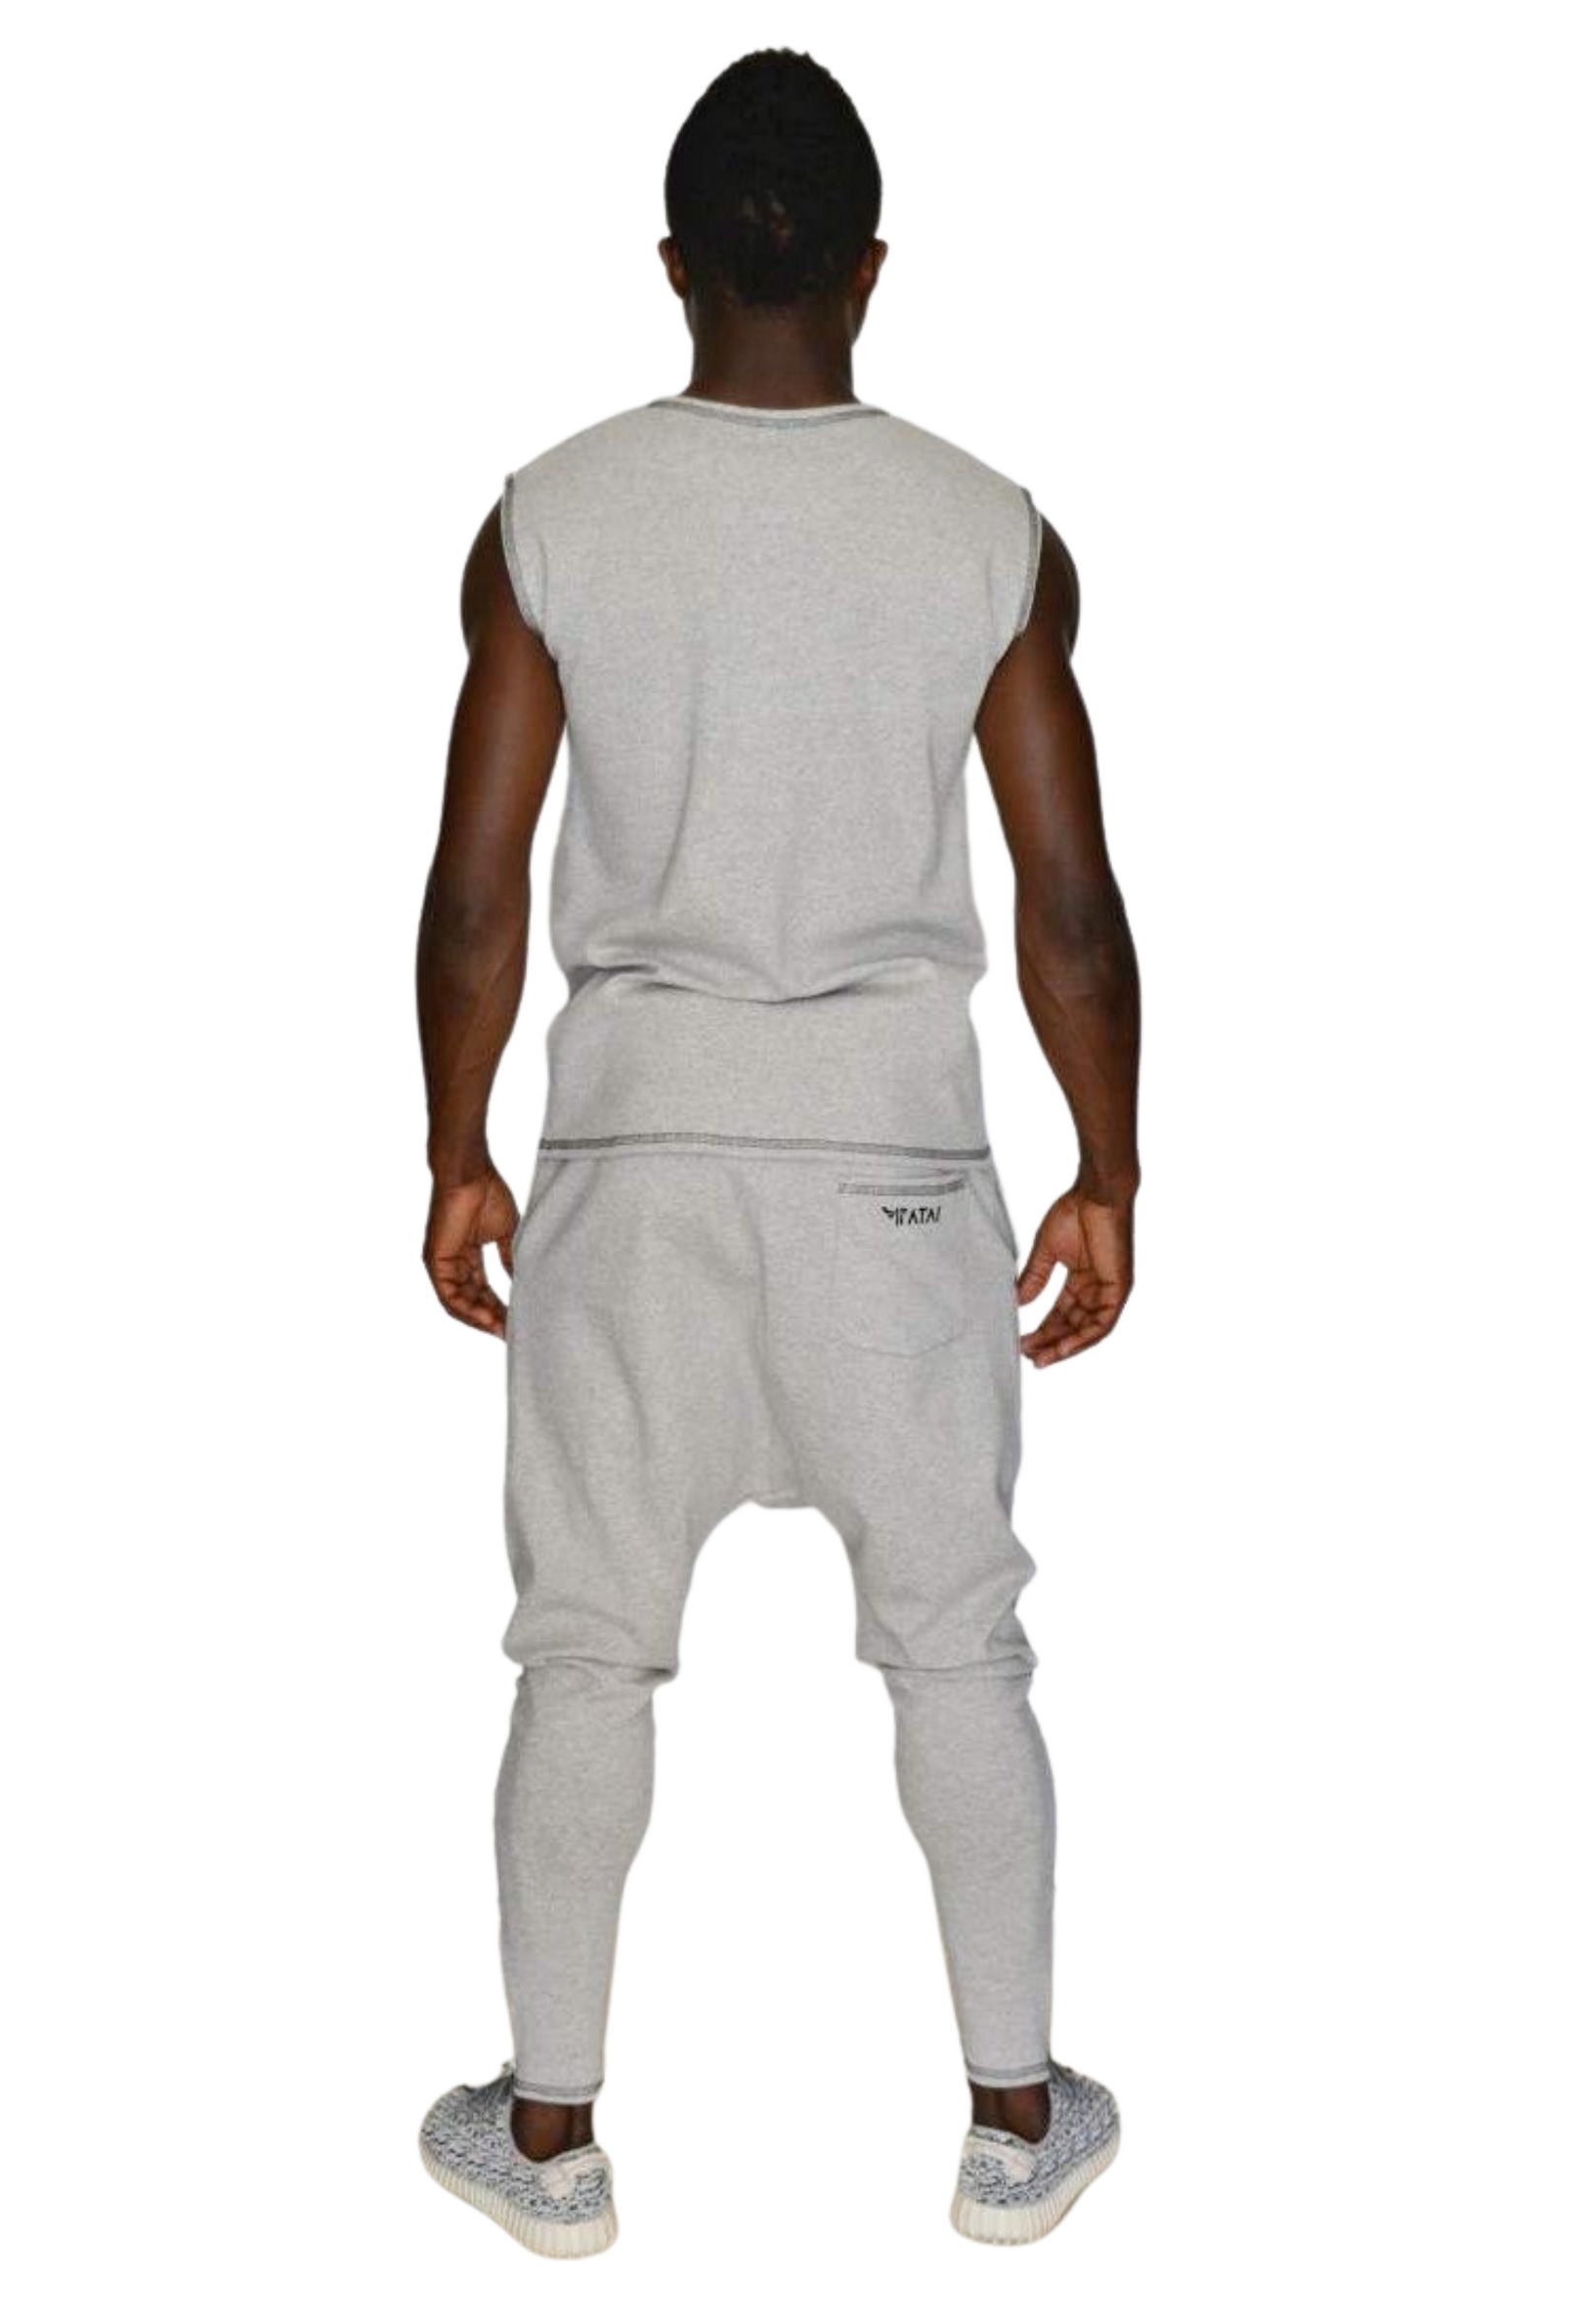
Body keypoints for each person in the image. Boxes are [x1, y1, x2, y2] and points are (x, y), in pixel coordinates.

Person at [413, 48, 1140, 2256]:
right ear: (869, 268)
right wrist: (1107, 1166)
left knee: (582, 1650)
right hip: (894, 1178)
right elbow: (1067, 899)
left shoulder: (548, 518)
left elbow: (476, 888)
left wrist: (456, 1146)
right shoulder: (990, 532)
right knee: (957, 1647)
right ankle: (1015, 2120)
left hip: (629, 1165)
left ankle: (549, 2143)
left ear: (671, 266)